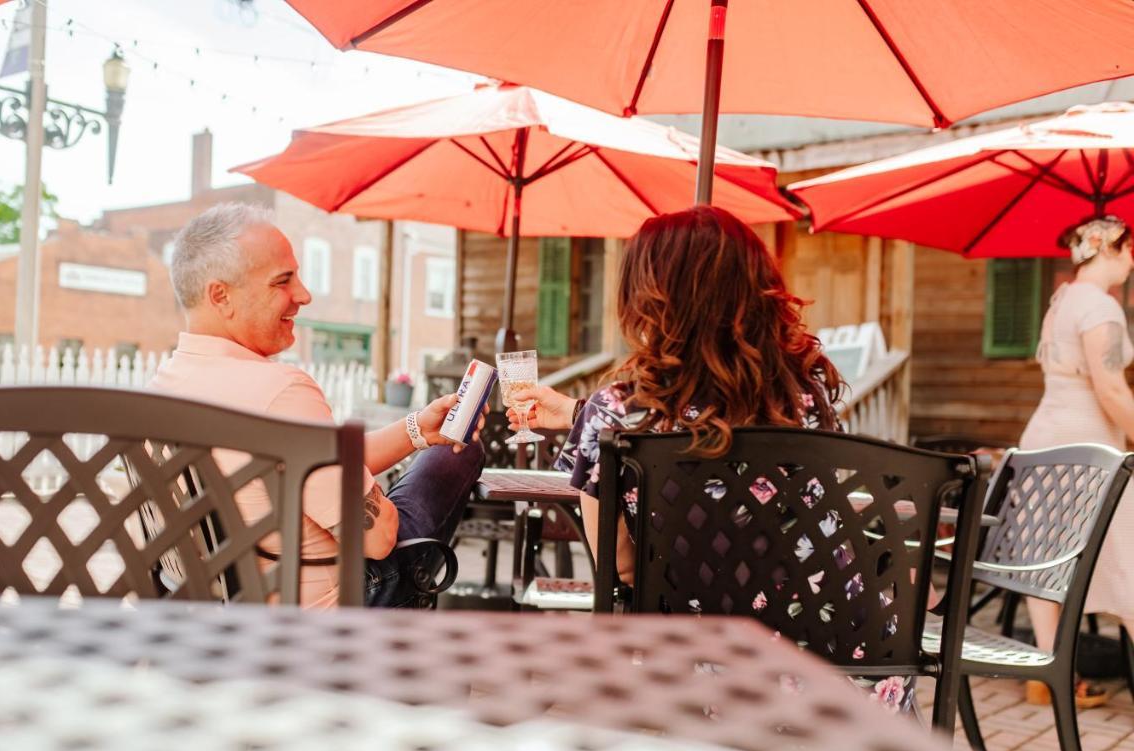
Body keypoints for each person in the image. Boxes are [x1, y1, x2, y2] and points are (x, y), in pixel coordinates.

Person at [512, 206, 915, 714]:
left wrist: (586, 418)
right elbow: (723, 436)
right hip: (854, 662)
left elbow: (620, 569)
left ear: (648, 297)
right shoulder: (807, 397)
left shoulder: (613, 414)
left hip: (712, 670)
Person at [149, 202, 484, 608]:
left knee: (434, 445)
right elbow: (378, 539)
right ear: (220, 296)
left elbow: (313, 462)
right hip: (328, 615)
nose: (304, 295)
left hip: (220, 611)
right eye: (282, 281)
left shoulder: (163, 388)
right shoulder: (281, 393)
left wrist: (415, 430)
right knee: (456, 455)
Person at [1017, 215, 1134, 708]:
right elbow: (1109, 388)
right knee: (1129, 554)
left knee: (1046, 557)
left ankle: (1048, 674)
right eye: (1129, 249)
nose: (1132, 261)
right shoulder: (1099, 306)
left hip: (1045, 440)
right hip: (1087, 445)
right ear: (1108, 247)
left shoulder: (1062, 300)